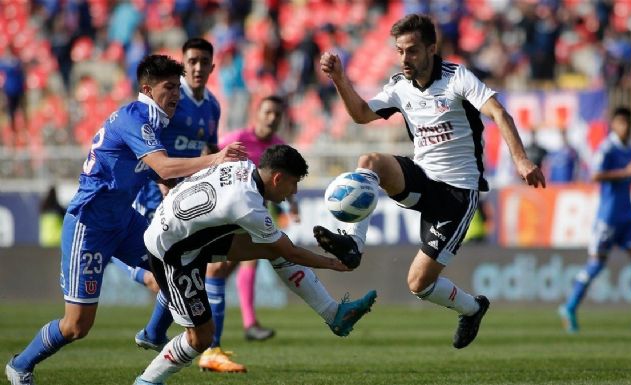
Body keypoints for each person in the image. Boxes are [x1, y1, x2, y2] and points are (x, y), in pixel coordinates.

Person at [4, 54, 248, 385]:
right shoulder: (135, 118)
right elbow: (162, 165)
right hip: (89, 225)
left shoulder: (154, 122)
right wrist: (215, 160)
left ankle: (152, 334)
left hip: (125, 220)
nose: (176, 94)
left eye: (178, 87)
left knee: (175, 264)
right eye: (168, 87)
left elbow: (155, 172)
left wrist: (174, 190)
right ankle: (20, 365)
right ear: (147, 89)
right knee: (77, 326)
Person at [315, 13, 546, 349]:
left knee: (418, 284)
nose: (405, 59)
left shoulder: (457, 78)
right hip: (422, 178)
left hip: (456, 194)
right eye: (399, 51)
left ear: (431, 49)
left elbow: (499, 112)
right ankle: (353, 247)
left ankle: (472, 308)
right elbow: (363, 115)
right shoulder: (399, 85)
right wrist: (339, 79)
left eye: (411, 51)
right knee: (369, 162)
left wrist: (521, 159)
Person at [133, 145, 376, 385]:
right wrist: (334, 264)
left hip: (186, 234)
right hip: (172, 253)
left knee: (273, 248)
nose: (295, 191)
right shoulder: (247, 205)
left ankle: (334, 314)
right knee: (200, 338)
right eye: (293, 184)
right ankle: (147, 381)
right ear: (278, 178)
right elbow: (291, 252)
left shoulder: (242, 168)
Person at [558, 106, 631, 333]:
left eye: (629, 123)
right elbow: (595, 175)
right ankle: (569, 307)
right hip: (607, 218)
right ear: (614, 124)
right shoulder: (607, 149)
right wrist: (625, 173)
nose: (626, 127)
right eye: (621, 123)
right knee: (596, 265)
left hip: (628, 216)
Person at [216, 95, 296, 342]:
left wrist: (293, 205)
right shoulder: (236, 140)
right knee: (219, 270)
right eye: (268, 112)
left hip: (255, 215)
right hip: (226, 215)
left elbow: (288, 179)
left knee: (243, 262)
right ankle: (190, 318)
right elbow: (210, 159)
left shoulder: (280, 146)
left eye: (277, 115)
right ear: (257, 113)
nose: (272, 118)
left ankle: (248, 323)